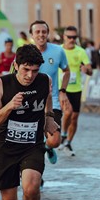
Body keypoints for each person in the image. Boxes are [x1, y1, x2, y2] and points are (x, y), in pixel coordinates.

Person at [0, 44, 60, 200]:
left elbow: (47, 100)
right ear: (15, 65)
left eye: (35, 70)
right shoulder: (2, 83)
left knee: (31, 187)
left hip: (32, 145)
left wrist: (49, 118)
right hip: (6, 149)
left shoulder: (44, 80)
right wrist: (10, 105)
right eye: (26, 70)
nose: (30, 75)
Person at [29, 20, 71, 165]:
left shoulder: (58, 51)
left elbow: (66, 71)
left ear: (48, 33)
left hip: (52, 102)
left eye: (44, 32)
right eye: (37, 32)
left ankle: (48, 148)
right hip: (30, 103)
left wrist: (63, 91)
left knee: (54, 140)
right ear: (32, 35)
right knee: (33, 142)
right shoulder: (25, 53)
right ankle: (35, 175)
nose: (41, 35)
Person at [58, 26, 92, 156]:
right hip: (62, 88)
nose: (72, 40)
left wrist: (86, 70)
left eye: (74, 37)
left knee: (74, 118)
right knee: (68, 112)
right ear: (64, 37)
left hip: (76, 88)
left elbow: (90, 70)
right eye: (69, 37)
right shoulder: (59, 50)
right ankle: (63, 135)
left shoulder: (80, 51)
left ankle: (68, 142)